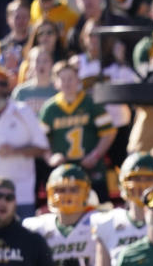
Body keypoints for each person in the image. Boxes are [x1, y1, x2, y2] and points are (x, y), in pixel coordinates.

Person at [0, 65, 50, 218]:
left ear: (9, 87)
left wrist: (15, 151)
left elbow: (43, 147)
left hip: (20, 195)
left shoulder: (23, 111)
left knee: (22, 240)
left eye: (2, 83)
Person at [39, 59, 116, 202]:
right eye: (62, 79)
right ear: (55, 83)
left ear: (78, 80)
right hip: (63, 170)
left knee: (100, 207)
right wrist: (50, 157)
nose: (67, 83)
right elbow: (40, 139)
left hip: (91, 168)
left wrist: (95, 155)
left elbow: (109, 132)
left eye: (70, 78)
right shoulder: (50, 108)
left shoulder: (91, 103)